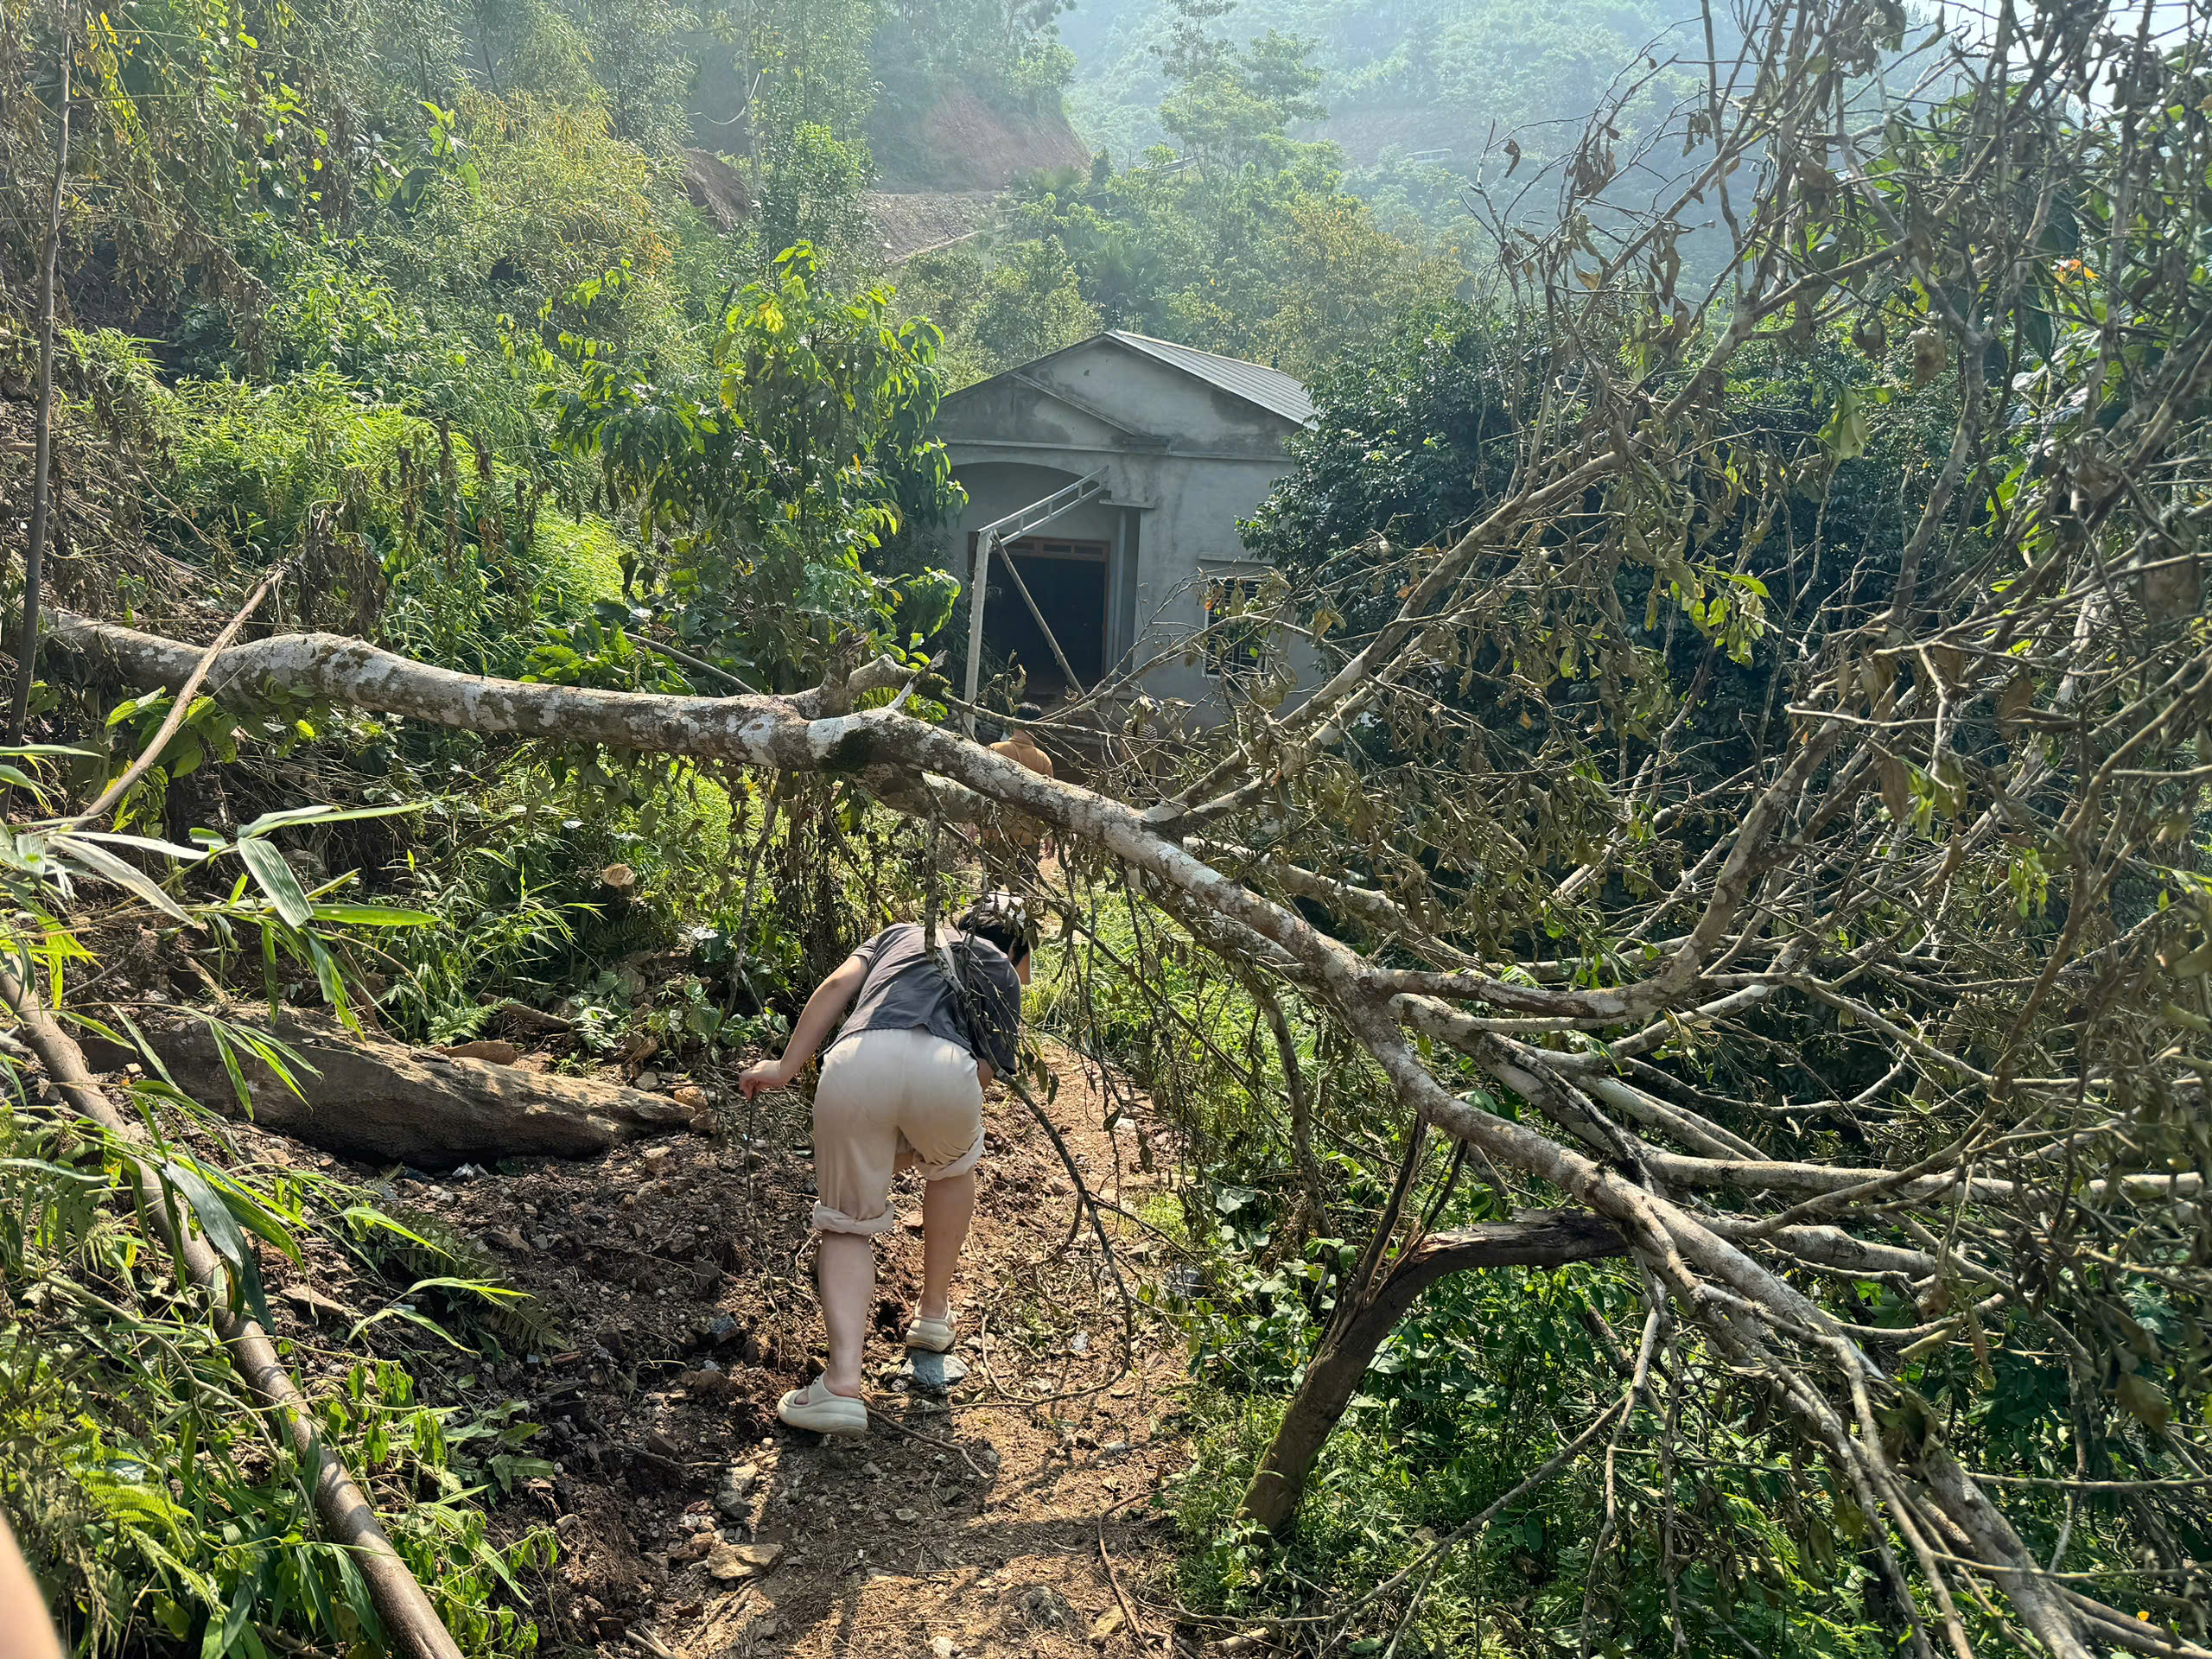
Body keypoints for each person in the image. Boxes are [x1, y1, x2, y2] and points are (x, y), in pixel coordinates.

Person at [739, 893, 1034, 1435]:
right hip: (949, 1071)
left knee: (847, 1221)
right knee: (953, 1168)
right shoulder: (1005, 975)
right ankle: (932, 1316)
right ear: (1019, 951)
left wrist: (784, 1066)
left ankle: (843, 1384)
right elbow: (986, 1073)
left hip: (857, 1061)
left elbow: (834, 988)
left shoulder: (903, 933)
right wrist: (930, 1145)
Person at [984, 705, 1054, 883]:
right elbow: (1048, 802)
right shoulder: (1043, 759)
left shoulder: (994, 750)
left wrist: (972, 822)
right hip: (1028, 836)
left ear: (1013, 722)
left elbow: (981, 790)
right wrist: (1049, 834)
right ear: (1037, 727)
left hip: (995, 832)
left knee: (992, 889)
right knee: (1024, 889)